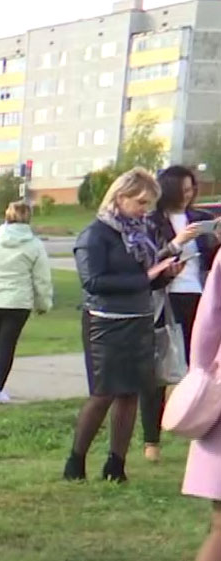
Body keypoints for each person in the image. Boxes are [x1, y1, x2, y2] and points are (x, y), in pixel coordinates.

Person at [67, 168, 182, 483]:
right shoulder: (95, 235)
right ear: (120, 197)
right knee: (104, 393)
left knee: (131, 393)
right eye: (140, 202)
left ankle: (116, 465)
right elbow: (93, 281)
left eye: (149, 204)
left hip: (139, 319)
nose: (145, 210)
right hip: (105, 322)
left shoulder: (139, 234)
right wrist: (145, 276)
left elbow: (142, 283)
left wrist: (163, 275)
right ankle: (75, 461)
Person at [144, 164, 219, 461]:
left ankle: (201, 430)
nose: (188, 196)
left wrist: (214, 238)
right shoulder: (151, 221)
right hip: (167, 297)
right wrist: (178, 244)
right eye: (183, 191)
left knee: (201, 367)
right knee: (160, 369)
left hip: (199, 296)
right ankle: (152, 439)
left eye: (192, 191)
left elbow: (212, 257)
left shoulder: (200, 218)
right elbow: (148, 260)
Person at [0, 201, 55, 405]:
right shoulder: (34, 245)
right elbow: (42, 279)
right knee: (7, 344)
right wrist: (43, 304)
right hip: (17, 302)